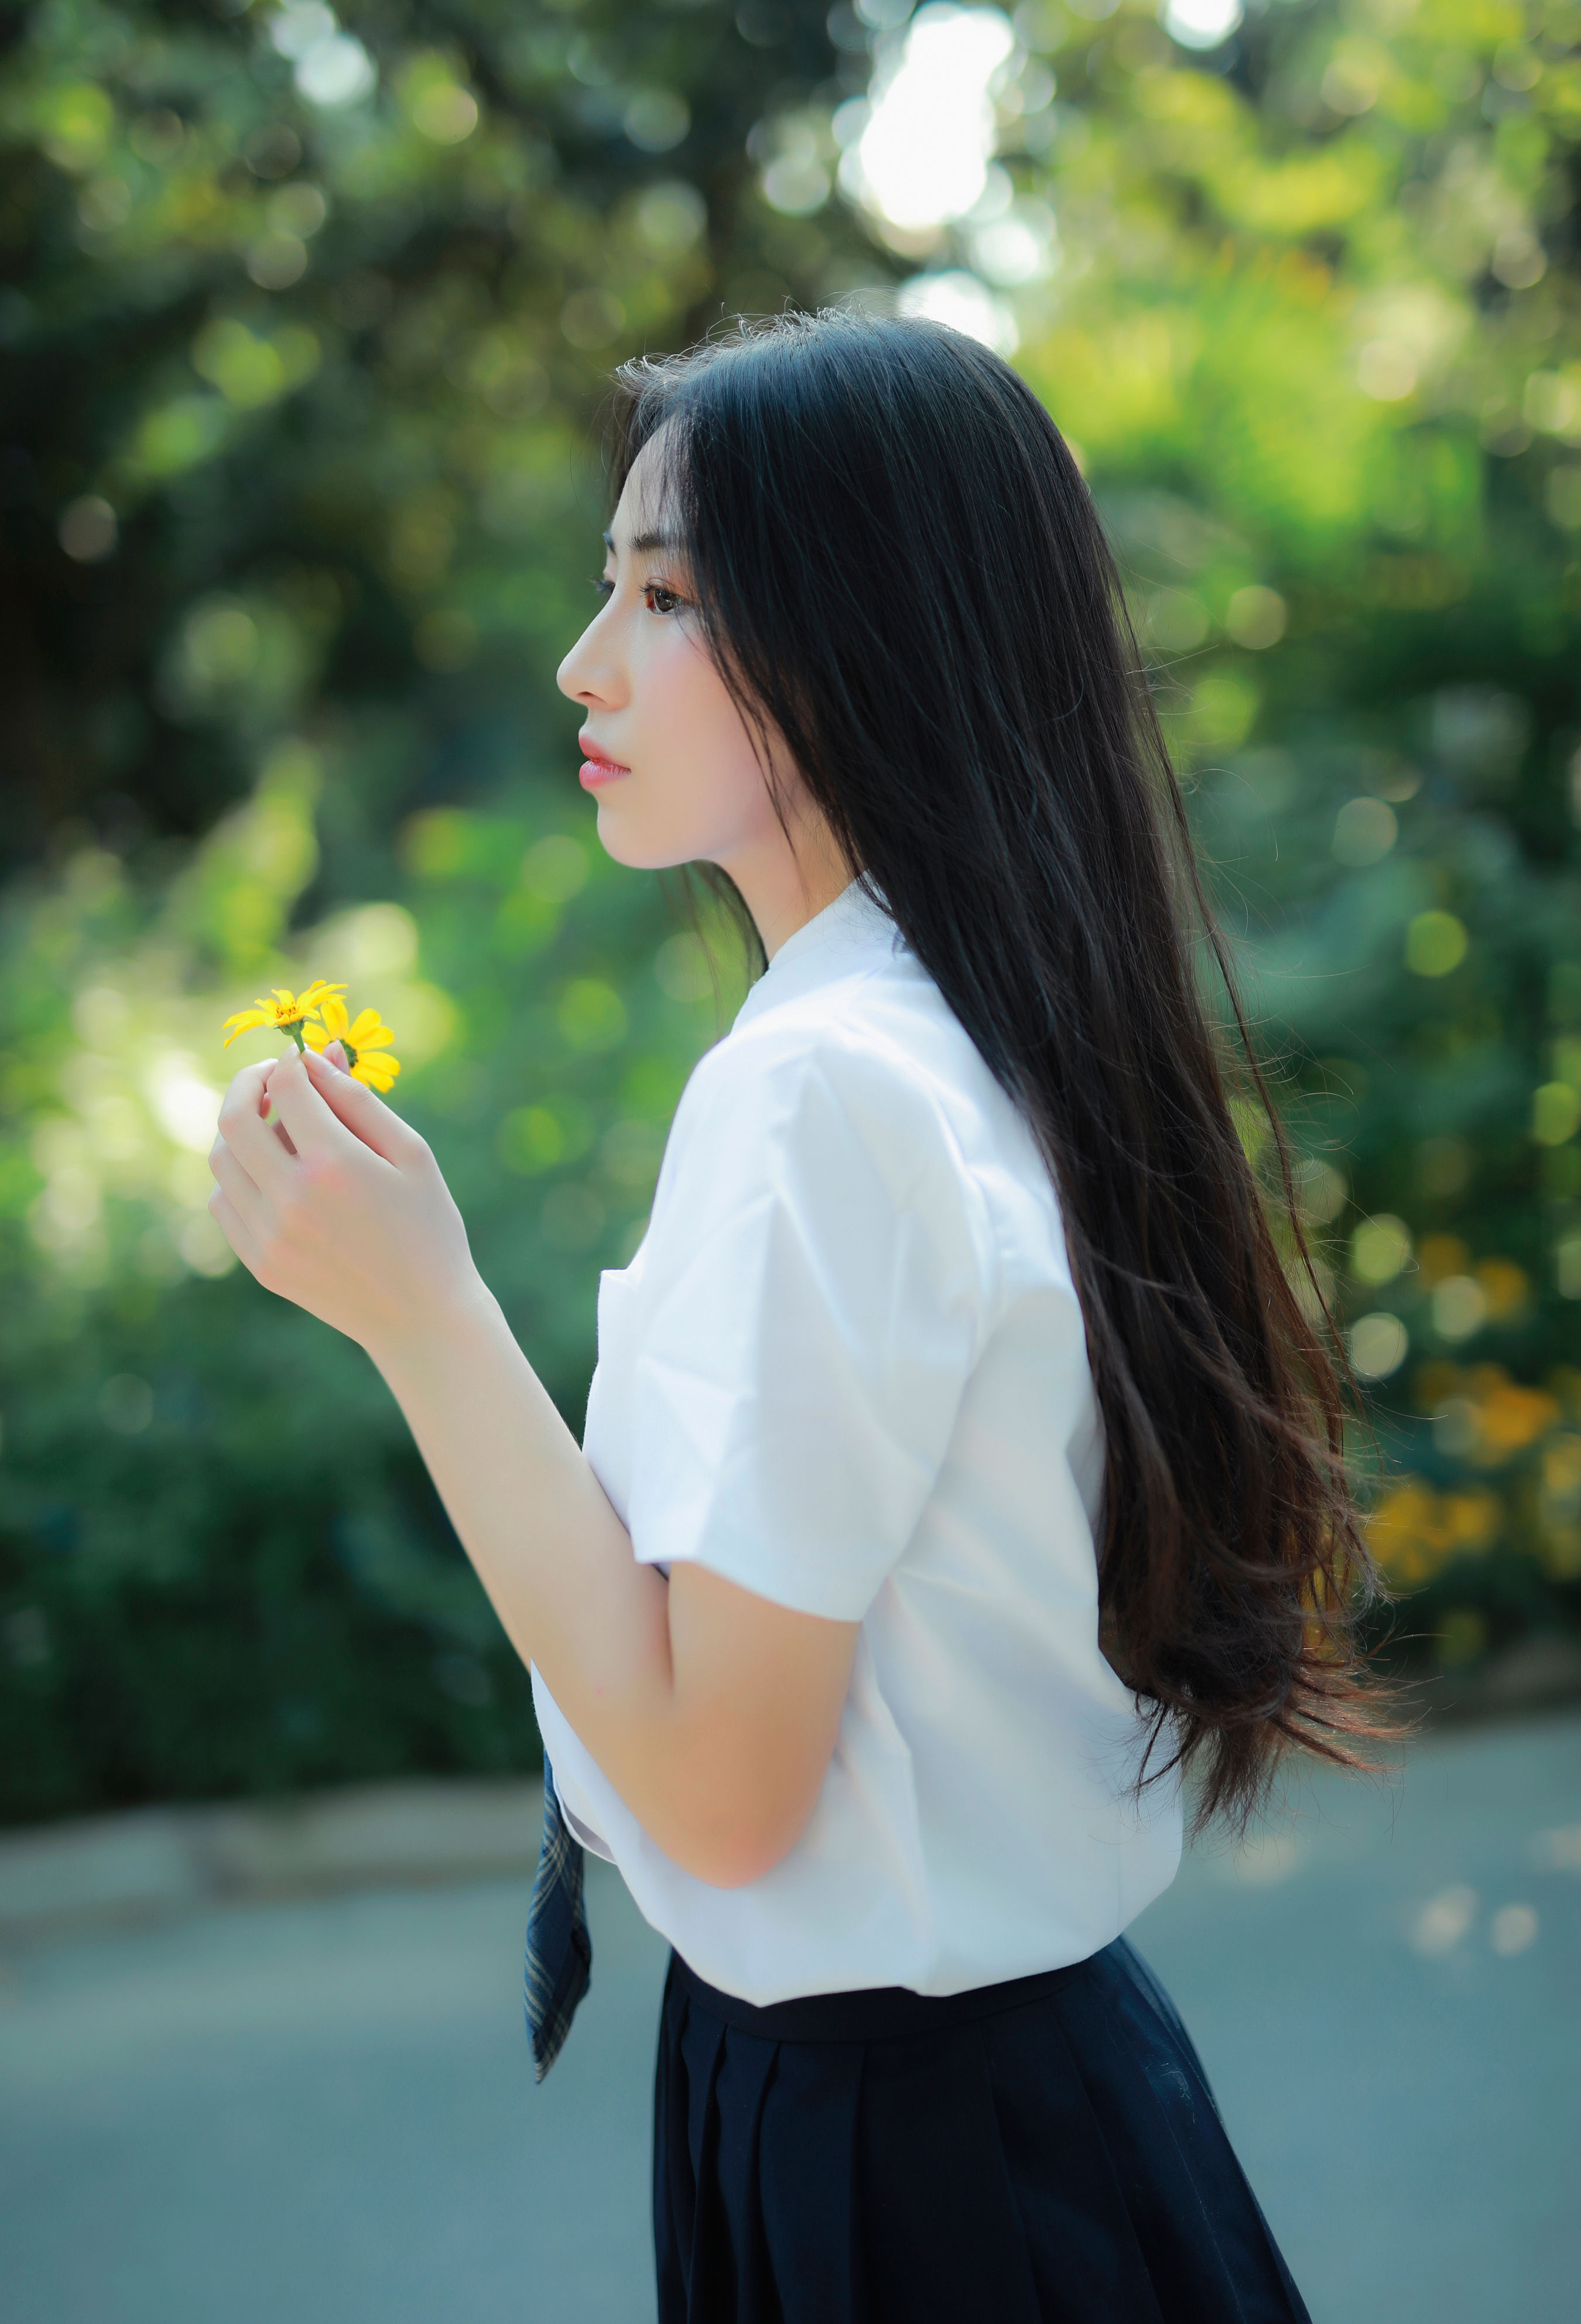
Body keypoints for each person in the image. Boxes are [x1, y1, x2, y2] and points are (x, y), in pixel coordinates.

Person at [209, 310, 1387, 2323]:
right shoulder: (978, 1023)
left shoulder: (826, 1085)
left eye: (662, 595)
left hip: (912, 2162)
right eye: (607, 586)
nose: (586, 662)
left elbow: (723, 1794)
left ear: (867, 633)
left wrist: (421, 1315)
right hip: (1016, 2100)